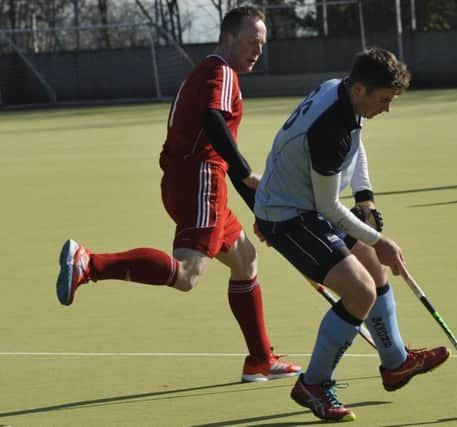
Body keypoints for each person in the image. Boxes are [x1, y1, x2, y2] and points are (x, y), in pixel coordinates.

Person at [55, 6, 300, 383]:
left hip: (193, 178)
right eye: (252, 42)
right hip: (201, 180)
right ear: (228, 38)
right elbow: (213, 124)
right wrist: (249, 171)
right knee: (187, 274)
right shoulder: (222, 72)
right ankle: (89, 264)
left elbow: (224, 153)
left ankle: (260, 360)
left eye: (262, 44)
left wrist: (259, 212)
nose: (257, 51)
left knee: (245, 259)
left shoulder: (207, 71)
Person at [253, 48, 450, 422]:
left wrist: (365, 198)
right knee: (360, 291)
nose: (387, 108)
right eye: (383, 100)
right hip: (287, 216)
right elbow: (328, 209)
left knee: (375, 270)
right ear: (359, 88)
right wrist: (381, 241)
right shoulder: (330, 130)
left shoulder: (340, 93)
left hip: (305, 204)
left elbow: (356, 146)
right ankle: (313, 383)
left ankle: (395, 363)